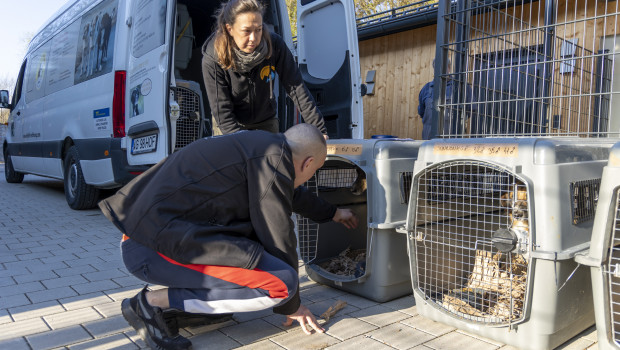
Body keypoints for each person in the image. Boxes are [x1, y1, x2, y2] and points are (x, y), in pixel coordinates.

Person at [99, 124, 358, 350]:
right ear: (307, 163)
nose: (307, 178)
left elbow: (289, 194)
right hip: (150, 248)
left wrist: (332, 212)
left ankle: (186, 306)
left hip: (155, 235)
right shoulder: (272, 159)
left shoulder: (265, 147)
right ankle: (148, 304)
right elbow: (279, 234)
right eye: (314, 172)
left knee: (252, 271)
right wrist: (292, 305)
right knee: (281, 284)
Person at [201, 0, 328, 138]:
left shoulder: (275, 45)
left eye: (258, 29)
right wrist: (243, 147)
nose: (253, 38)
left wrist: (319, 130)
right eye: (246, 31)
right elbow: (222, 111)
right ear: (229, 29)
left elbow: (297, 89)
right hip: (230, 125)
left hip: (266, 123)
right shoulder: (213, 58)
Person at [418, 58, 476, 139]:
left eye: (443, 66)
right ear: (434, 69)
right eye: (437, 67)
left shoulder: (461, 86)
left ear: (449, 68)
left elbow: (471, 109)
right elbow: (421, 112)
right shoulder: (426, 88)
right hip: (429, 137)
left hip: (453, 137)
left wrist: (457, 122)